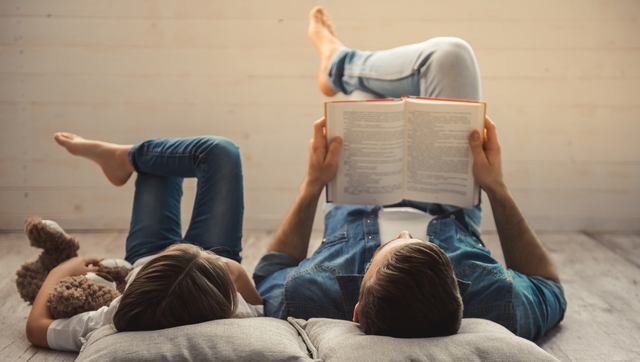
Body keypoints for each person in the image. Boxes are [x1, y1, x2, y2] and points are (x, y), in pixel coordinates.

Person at [252, 7, 566, 341]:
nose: (403, 232)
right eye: (418, 244)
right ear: (460, 299)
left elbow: (271, 271)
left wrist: (313, 183)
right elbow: (549, 288)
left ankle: (337, 64)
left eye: (386, 248)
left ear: (357, 310)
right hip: (446, 194)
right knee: (451, 55)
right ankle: (337, 63)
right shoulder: (494, 300)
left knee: (367, 96)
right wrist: (496, 187)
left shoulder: (306, 295)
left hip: (360, 189)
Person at [26, 134, 264, 352]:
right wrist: (238, 273)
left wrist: (61, 268)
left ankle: (123, 158)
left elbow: (36, 328)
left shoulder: (118, 313)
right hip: (212, 261)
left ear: (133, 286)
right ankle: (124, 157)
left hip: (147, 255)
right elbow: (259, 309)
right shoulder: (235, 310)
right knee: (219, 151)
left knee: (159, 167)